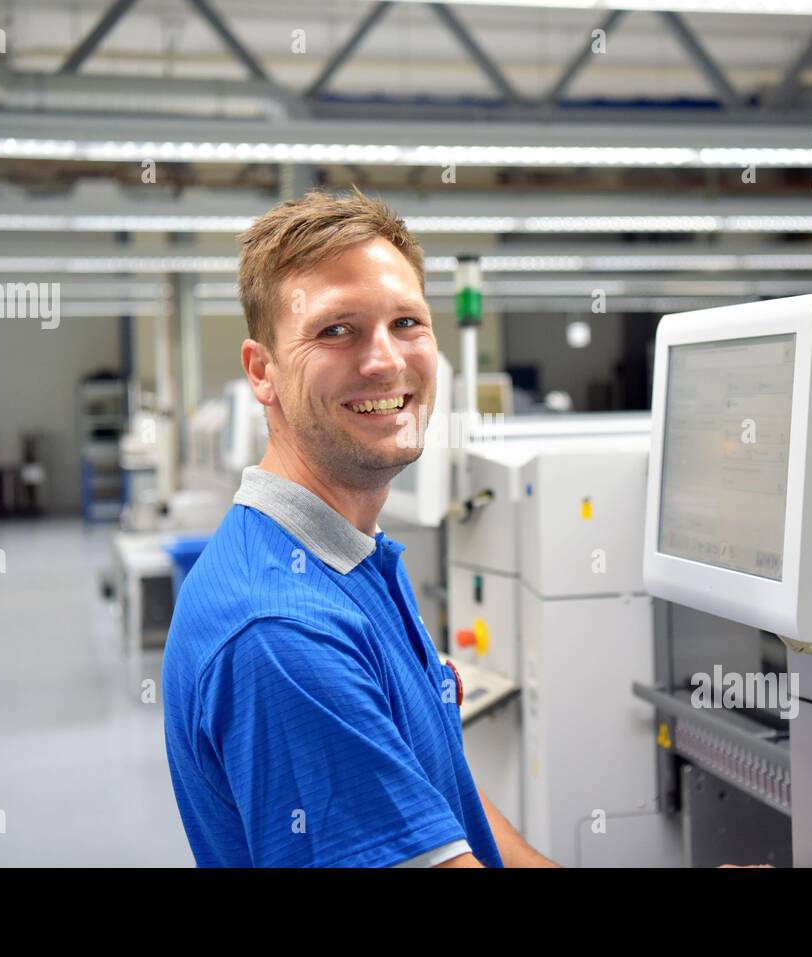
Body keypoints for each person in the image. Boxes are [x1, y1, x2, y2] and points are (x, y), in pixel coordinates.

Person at [163, 188, 555, 868]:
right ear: (262, 371)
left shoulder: (354, 561)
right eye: (336, 330)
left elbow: (438, 799)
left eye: (407, 322)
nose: (383, 361)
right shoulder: (284, 632)